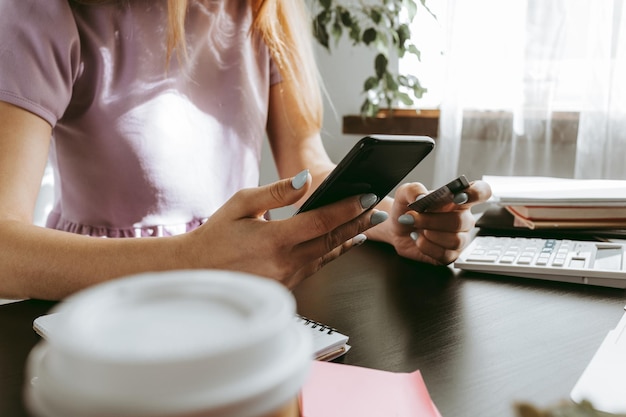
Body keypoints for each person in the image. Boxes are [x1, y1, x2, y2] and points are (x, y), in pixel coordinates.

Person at [0, 0, 491, 301]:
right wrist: (189, 260)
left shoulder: (267, 10)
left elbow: (306, 165)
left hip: (234, 296)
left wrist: (390, 220)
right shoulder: (47, 9)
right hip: (94, 301)